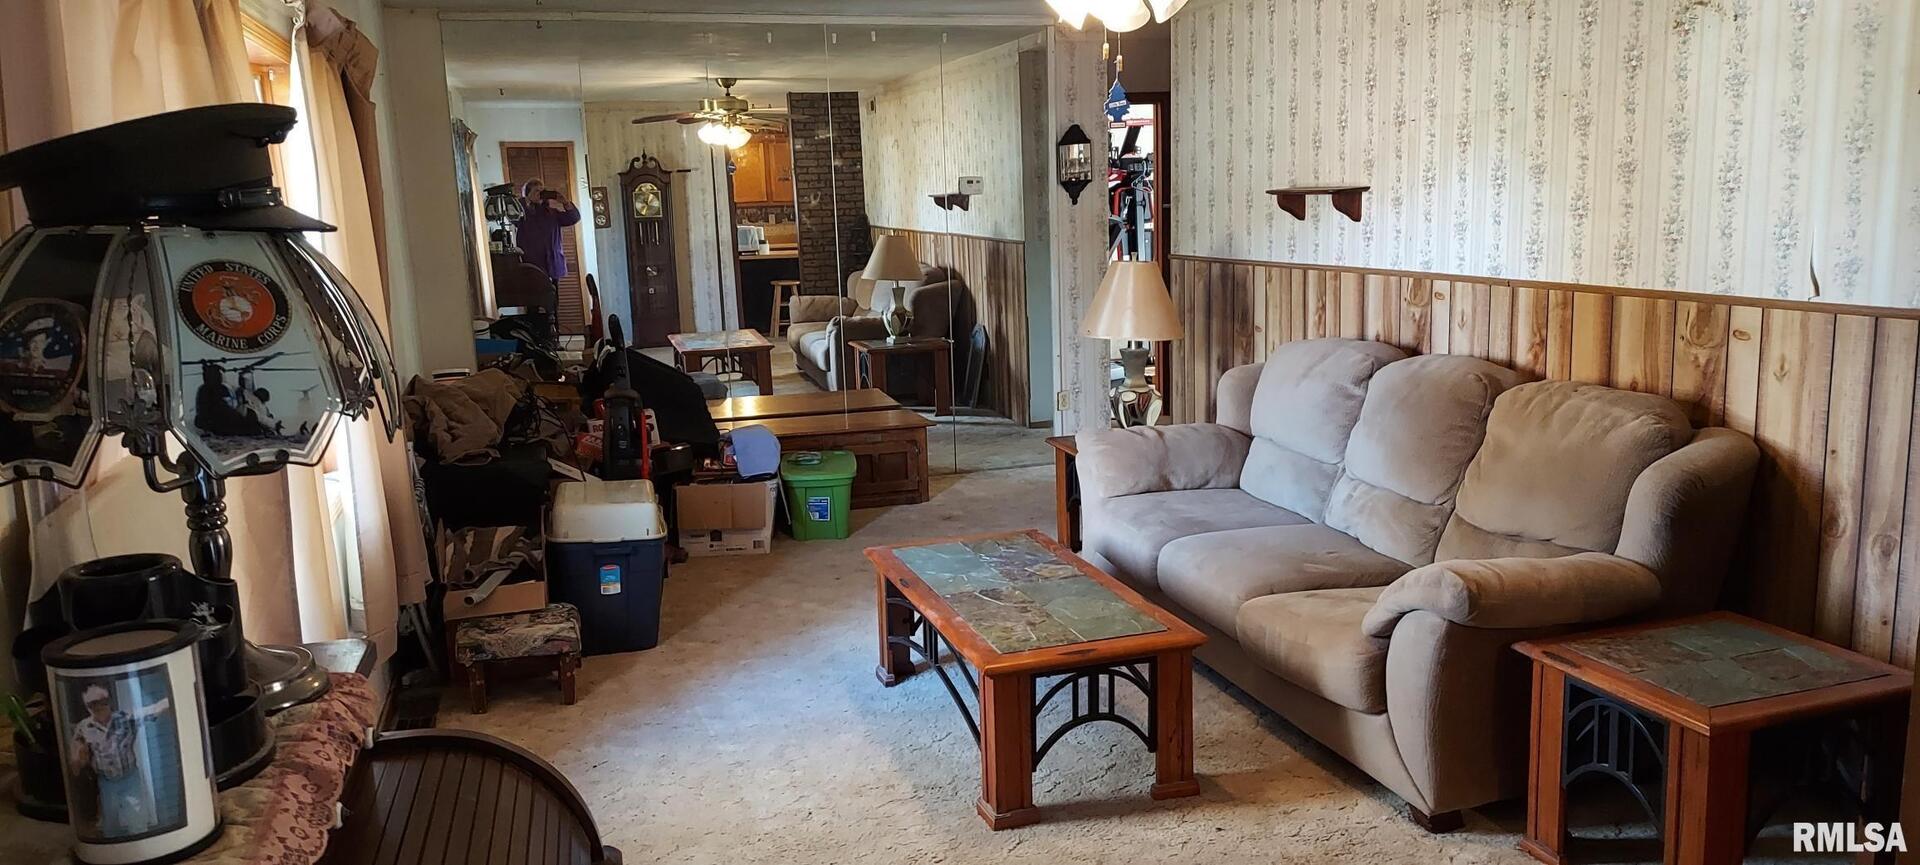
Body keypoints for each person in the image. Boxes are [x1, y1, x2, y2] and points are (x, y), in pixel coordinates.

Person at [69, 682, 171, 838]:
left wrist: (173, 698)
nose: (98, 707)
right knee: (110, 826)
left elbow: (153, 710)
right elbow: (76, 753)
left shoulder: (125, 718)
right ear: (87, 707)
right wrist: (77, 759)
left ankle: (140, 846)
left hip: (129, 779)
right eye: (93, 704)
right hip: (106, 782)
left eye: (102, 702)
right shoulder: (84, 727)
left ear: (109, 702)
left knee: (137, 820)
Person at [513, 178, 581, 281]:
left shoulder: (552, 213)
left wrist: (566, 202)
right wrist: (526, 200)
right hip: (532, 265)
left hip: (553, 264)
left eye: (542, 191)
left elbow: (573, 218)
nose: (541, 194)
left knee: (553, 291)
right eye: (536, 191)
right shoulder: (523, 213)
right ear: (527, 194)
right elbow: (514, 218)